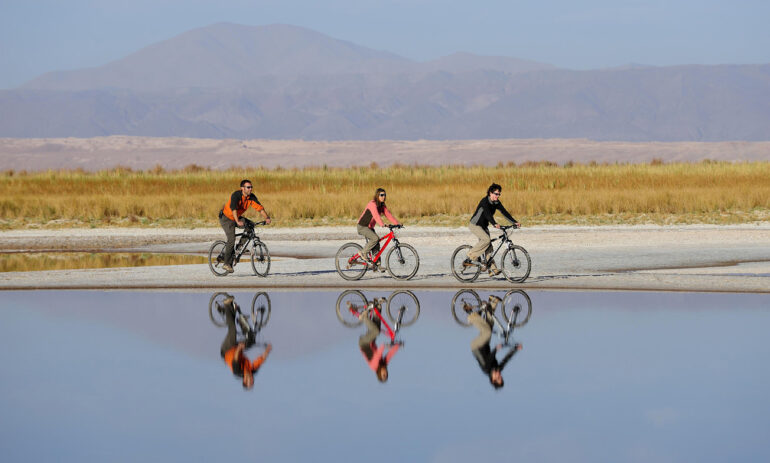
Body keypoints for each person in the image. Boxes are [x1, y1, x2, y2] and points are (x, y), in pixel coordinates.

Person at [464, 295, 521, 389]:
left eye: (498, 378)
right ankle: (492, 303)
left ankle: (472, 317)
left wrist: (496, 349)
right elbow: (506, 359)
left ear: (493, 379)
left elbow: (489, 359)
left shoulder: (486, 370)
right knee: (490, 325)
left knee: (487, 332)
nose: (500, 375)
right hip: (485, 344)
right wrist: (515, 349)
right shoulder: (498, 369)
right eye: (501, 377)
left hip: (476, 346)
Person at [219, 294, 272, 389]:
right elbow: (259, 361)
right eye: (252, 381)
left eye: (249, 381)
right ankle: (241, 320)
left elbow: (235, 358)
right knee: (251, 339)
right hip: (237, 349)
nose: (251, 379)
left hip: (227, 350)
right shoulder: (252, 371)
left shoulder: (237, 372)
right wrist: (267, 351)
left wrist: (239, 348)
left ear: (244, 380)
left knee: (233, 331)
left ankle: (227, 305)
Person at [465, 183, 519, 276]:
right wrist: (494, 223)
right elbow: (487, 214)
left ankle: (492, 270)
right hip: (475, 225)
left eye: (499, 194)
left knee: (489, 247)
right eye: (496, 194)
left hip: (484, 226)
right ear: (490, 193)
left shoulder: (496, 202)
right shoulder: (484, 201)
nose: (497, 196)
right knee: (486, 240)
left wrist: (514, 222)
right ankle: (470, 255)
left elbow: (504, 212)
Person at [219, 179, 271, 273]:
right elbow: (234, 209)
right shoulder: (236, 195)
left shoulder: (251, 197)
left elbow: (260, 208)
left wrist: (267, 217)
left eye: (251, 187)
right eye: (248, 187)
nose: (250, 189)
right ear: (242, 188)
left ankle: (240, 247)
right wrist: (237, 221)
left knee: (250, 225)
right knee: (231, 240)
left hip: (236, 217)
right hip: (226, 218)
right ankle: (226, 264)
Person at [357, 188, 400, 271]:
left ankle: (377, 265)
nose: (383, 197)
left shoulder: (382, 206)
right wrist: (382, 224)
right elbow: (376, 215)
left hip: (369, 227)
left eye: (384, 195)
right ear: (377, 195)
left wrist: (397, 223)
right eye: (381, 195)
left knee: (377, 244)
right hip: (362, 226)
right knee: (375, 238)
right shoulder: (372, 204)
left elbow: (389, 215)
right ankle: (363, 252)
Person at [357, 300, 400, 382]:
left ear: (379, 374)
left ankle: (363, 317)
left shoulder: (374, 366)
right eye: (386, 374)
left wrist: (384, 346)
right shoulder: (384, 363)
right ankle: (377, 307)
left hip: (364, 343)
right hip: (371, 342)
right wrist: (398, 345)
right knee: (377, 327)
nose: (385, 372)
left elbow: (377, 355)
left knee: (376, 332)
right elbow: (390, 355)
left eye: (383, 375)